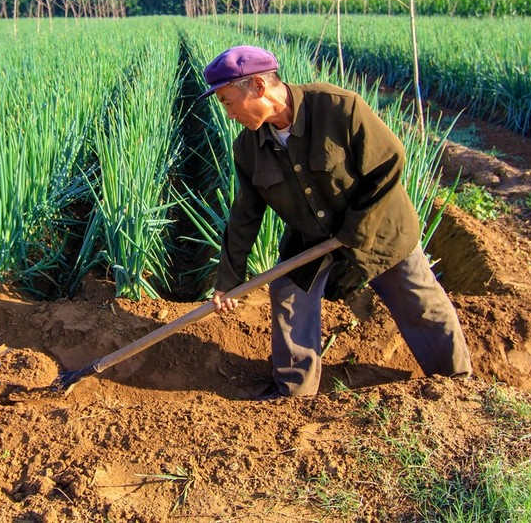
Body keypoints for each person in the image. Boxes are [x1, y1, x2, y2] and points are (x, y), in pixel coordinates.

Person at [202, 45, 471, 398]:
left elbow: (389, 162)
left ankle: (458, 386)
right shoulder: (249, 148)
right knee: (289, 292)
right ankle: (293, 393)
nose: (229, 113)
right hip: (313, 239)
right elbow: (245, 216)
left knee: (418, 302)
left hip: (378, 230)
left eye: (227, 101)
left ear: (258, 87)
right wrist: (228, 278)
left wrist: (353, 231)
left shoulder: (337, 108)